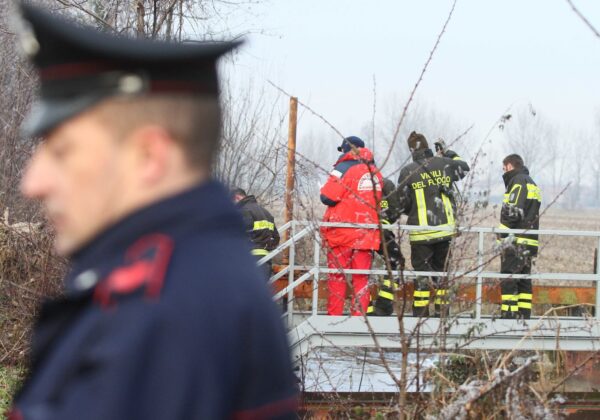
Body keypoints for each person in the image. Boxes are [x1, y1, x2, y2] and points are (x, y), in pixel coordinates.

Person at [9, 3, 298, 419]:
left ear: (149, 156)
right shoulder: (176, 284)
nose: (33, 182)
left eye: (62, 151)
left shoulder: (164, 314)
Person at [397, 132, 469, 317]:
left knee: (421, 277)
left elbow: (400, 204)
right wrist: (448, 153)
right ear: (428, 146)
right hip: (445, 232)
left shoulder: (408, 171)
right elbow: (464, 167)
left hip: (421, 234)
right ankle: (442, 315)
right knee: (442, 275)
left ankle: (420, 318)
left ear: (412, 149)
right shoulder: (444, 164)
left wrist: (413, 211)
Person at [320, 136, 383, 316]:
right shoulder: (375, 172)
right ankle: (359, 320)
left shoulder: (342, 168)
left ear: (346, 149)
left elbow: (327, 197)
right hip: (367, 234)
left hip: (342, 233)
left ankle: (334, 319)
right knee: (361, 279)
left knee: (337, 278)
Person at [498, 154, 541, 319]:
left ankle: (508, 316)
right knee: (524, 280)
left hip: (515, 241)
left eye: (504, 168)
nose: (504, 172)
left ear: (509, 166)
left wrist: (501, 235)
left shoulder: (517, 181)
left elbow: (513, 211)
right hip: (530, 241)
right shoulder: (532, 183)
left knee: (509, 278)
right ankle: (524, 317)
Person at [367, 177, 405, 316]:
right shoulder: (386, 183)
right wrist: (386, 220)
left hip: (361, 231)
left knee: (361, 268)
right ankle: (384, 304)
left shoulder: (355, 181)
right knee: (397, 262)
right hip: (382, 232)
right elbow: (396, 209)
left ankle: (371, 307)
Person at [232, 188, 280, 279]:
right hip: (266, 260)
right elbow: (276, 237)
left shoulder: (243, 211)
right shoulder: (265, 212)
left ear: (237, 197)